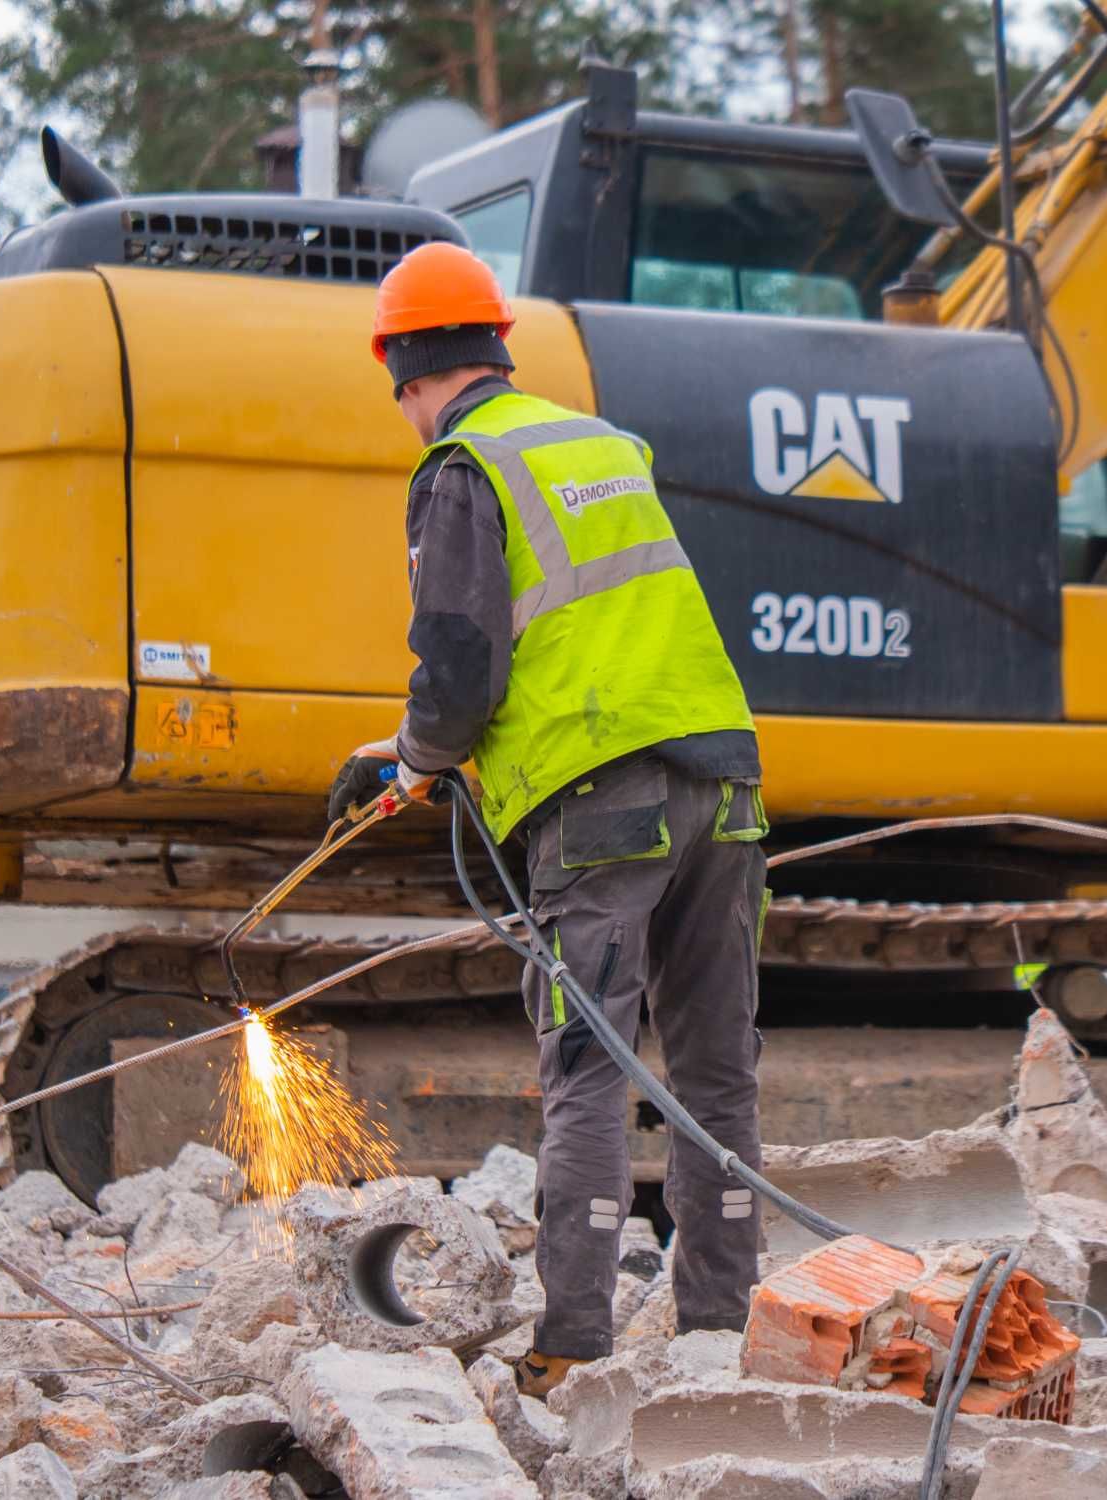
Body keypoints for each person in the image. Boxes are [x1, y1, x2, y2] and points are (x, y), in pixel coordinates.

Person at [327, 243, 769, 1398]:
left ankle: (573, 1342)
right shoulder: (599, 444)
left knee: (585, 1066)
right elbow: (592, 630)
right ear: (493, 345)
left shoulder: (461, 463)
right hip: (720, 777)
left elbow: (462, 666)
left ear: (404, 371)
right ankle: (722, 1323)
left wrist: (417, 758)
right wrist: (413, 750)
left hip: (597, 799)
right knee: (715, 1072)